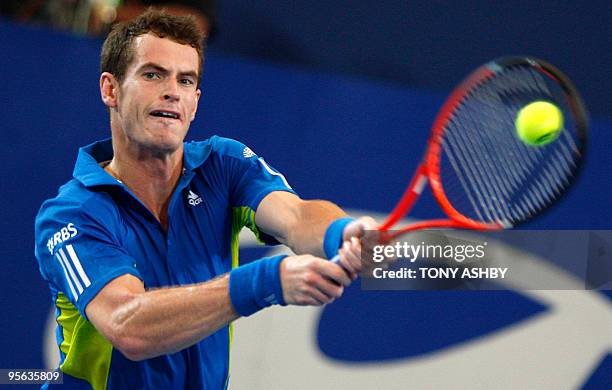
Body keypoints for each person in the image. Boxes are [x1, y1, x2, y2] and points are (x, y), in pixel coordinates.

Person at [34, 9, 374, 390]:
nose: (171, 92)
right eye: (152, 74)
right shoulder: (73, 214)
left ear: (195, 103)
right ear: (110, 89)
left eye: (185, 80)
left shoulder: (222, 165)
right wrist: (264, 281)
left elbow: (296, 215)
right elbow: (128, 324)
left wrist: (341, 233)